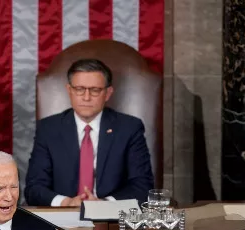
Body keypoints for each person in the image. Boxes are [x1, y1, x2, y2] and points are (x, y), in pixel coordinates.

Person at [24, 58, 154, 206]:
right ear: (69, 90)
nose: (86, 97)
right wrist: (66, 202)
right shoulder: (48, 129)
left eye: (95, 90)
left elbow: (142, 186)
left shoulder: (129, 128)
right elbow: (34, 188)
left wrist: (104, 204)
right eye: (79, 89)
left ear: (108, 93)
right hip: (61, 218)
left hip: (110, 218)